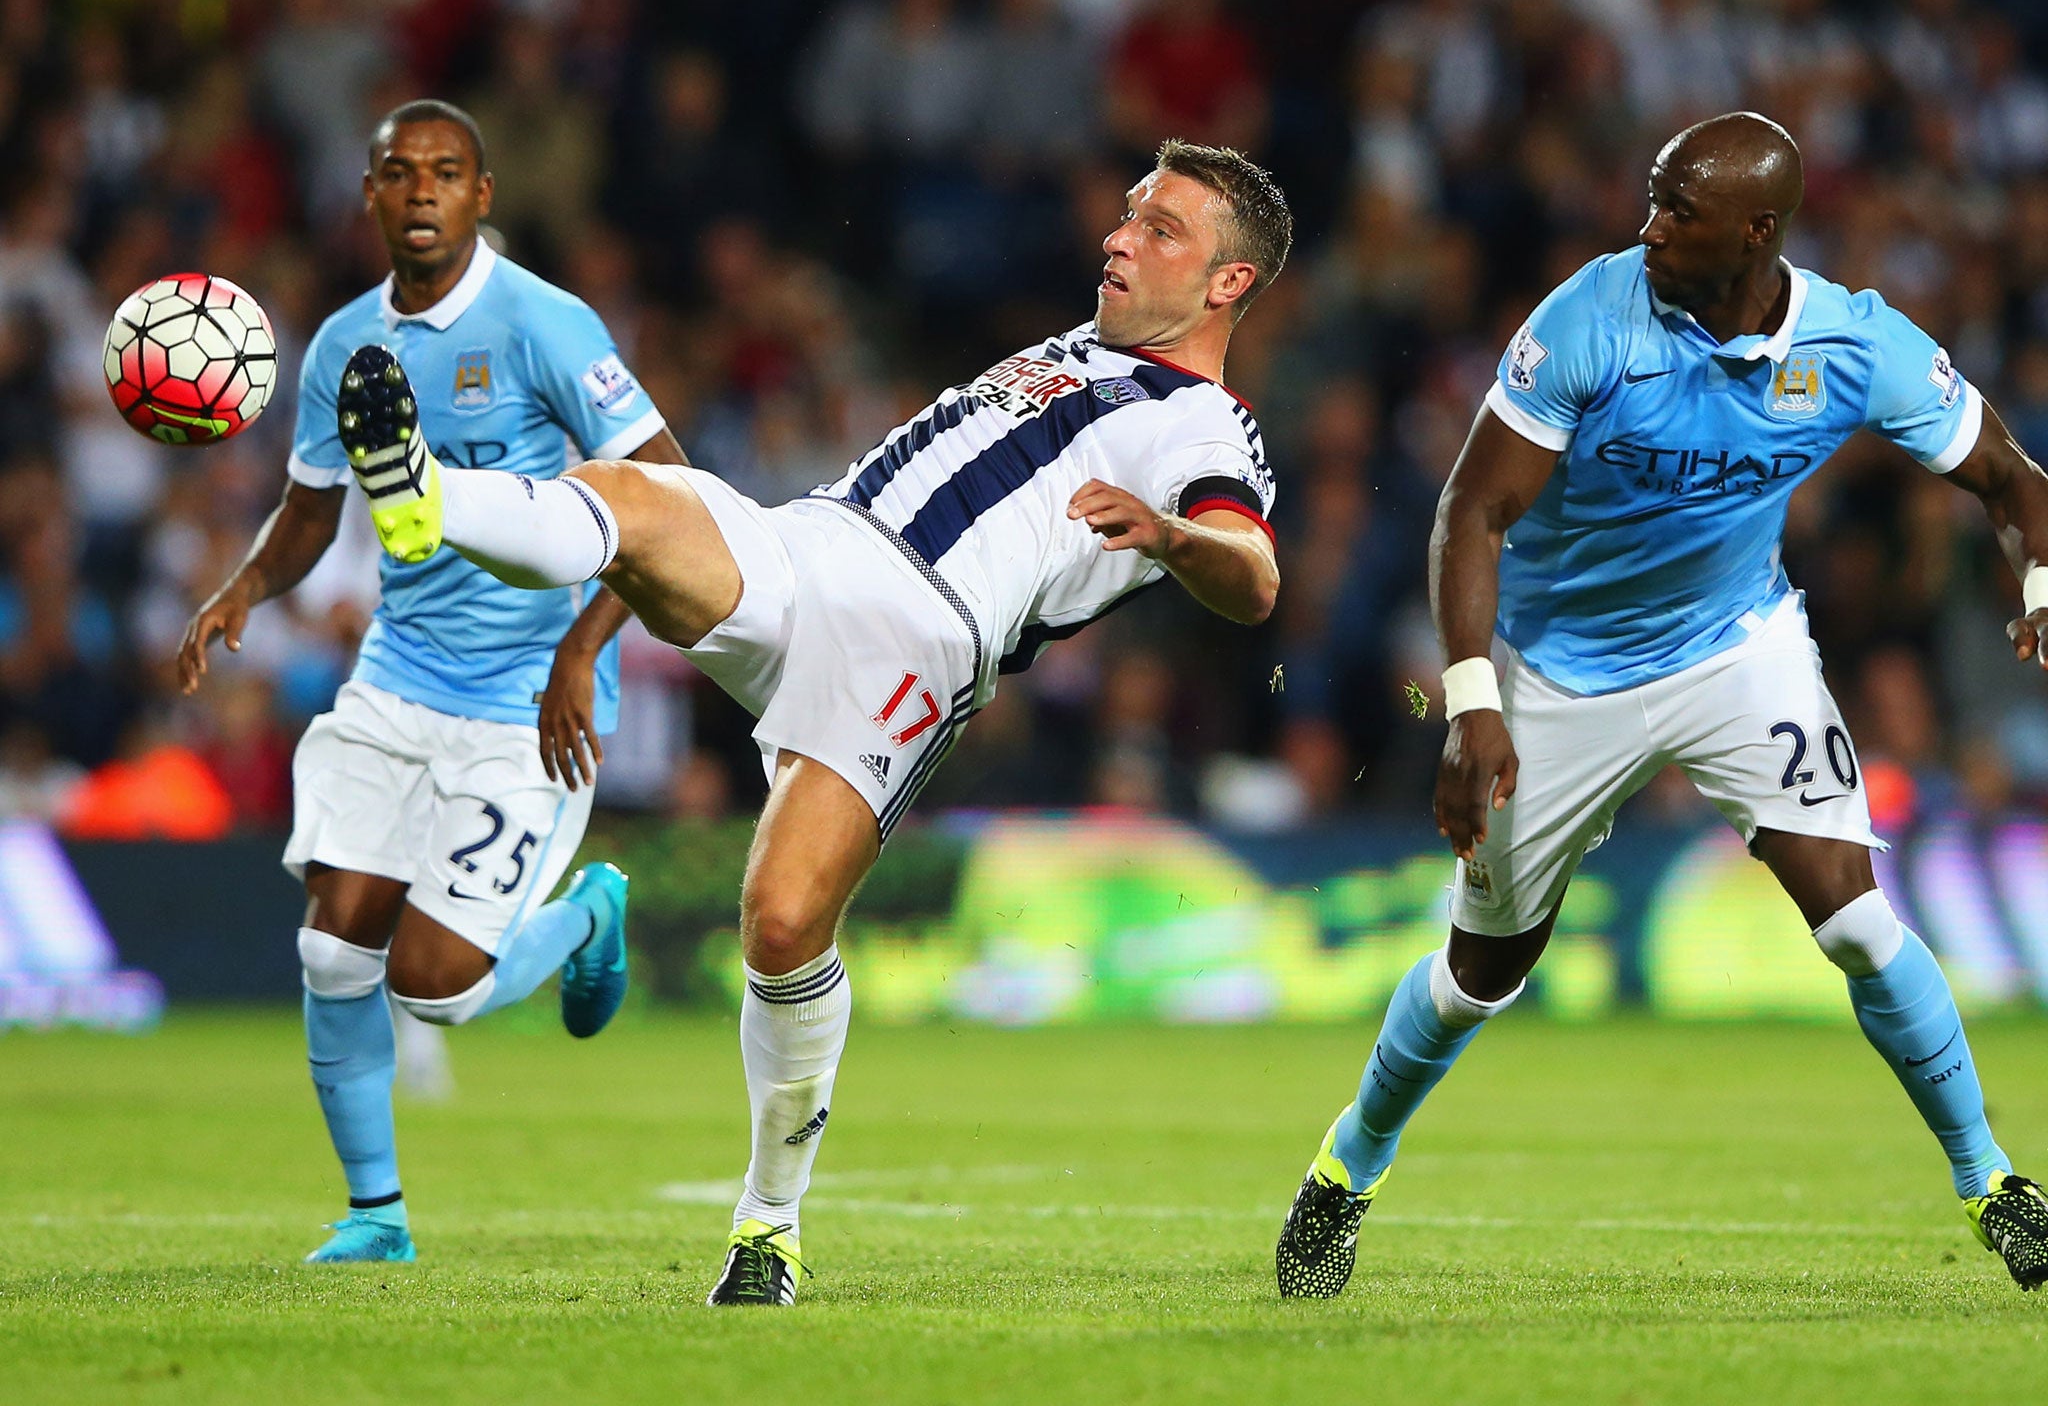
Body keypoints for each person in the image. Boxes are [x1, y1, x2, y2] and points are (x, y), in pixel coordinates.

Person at [331, 139, 1288, 1303]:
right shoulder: (1076, 348)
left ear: (1228, 284)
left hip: (916, 639)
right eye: (1129, 214)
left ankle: (767, 1227)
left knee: (781, 926)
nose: (1119, 236)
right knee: (640, 500)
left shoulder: (1202, 428)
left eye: (1160, 228)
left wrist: (1176, 535)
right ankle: (425, 497)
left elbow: (1252, 575)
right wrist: (590, 633)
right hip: (809, 542)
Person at [1275, 112, 2048, 1297]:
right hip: (1552, 671)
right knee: (1484, 970)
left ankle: (1992, 1182)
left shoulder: (1853, 344)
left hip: (1733, 650)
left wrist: (2037, 577)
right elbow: (1469, 511)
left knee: (1849, 913)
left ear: (1754, 231)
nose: (1648, 227)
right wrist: (1471, 701)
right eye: (1649, 199)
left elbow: (2006, 476)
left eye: (1675, 212)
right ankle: (1347, 1165)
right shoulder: (1589, 319)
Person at [178, 100, 688, 1264]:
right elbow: (312, 508)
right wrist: (242, 591)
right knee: (328, 952)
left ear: (481, 196)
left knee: (437, 988)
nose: (420, 192)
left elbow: (672, 497)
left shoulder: (543, 326)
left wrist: (582, 647)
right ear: (368, 193)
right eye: (399, 173)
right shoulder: (344, 346)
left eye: (444, 174)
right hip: (397, 684)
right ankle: (375, 1218)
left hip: (526, 703)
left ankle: (585, 917)